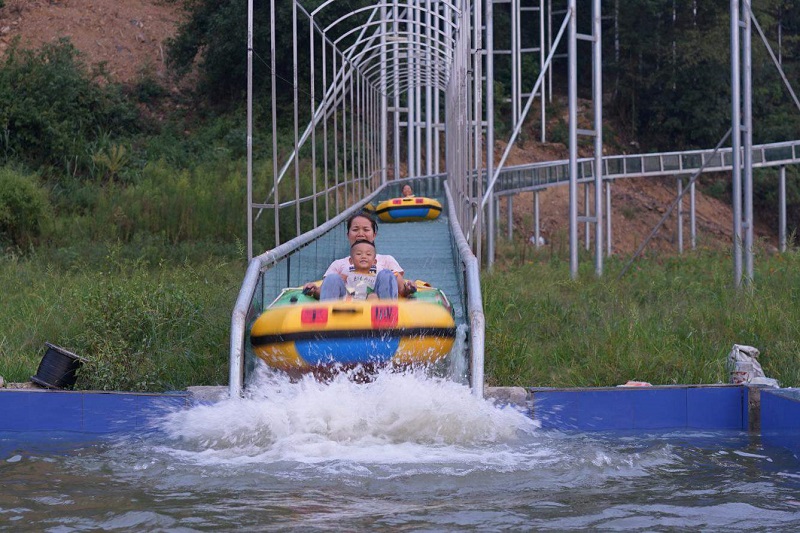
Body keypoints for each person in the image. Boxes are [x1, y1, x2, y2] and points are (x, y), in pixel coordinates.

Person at [303, 211, 416, 300]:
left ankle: (387, 320)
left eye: (366, 229)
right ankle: (329, 321)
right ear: (348, 235)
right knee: (332, 278)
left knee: (387, 274)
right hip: (347, 304)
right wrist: (313, 290)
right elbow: (325, 290)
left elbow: (401, 290)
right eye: (355, 229)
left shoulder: (386, 260)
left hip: (377, 305)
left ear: (374, 234)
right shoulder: (339, 264)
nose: (360, 234)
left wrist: (408, 288)